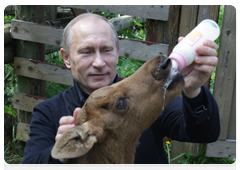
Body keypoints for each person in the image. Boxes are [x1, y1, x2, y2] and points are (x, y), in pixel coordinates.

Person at [19, 13, 220, 170]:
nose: (99, 62)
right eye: (86, 51)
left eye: (106, 50)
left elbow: (205, 133)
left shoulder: (147, 94)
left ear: (117, 51)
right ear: (66, 58)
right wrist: (60, 155)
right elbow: (28, 166)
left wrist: (193, 90)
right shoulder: (49, 112)